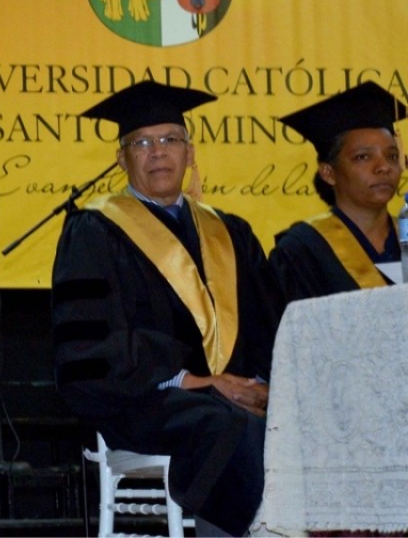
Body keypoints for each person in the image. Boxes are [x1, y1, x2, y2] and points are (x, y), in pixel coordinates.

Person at [50, 80, 284, 536]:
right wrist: (195, 380)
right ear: (122, 159)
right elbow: (92, 353)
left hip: (233, 396)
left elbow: (268, 324)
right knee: (224, 426)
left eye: (170, 140)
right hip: (142, 400)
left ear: (190, 152)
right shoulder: (95, 232)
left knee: (293, 420)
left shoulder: (231, 233)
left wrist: (261, 385)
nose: (158, 152)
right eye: (142, 143)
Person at [270, 82, 407, 302]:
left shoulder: (404, 237)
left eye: (391, 156)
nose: (384, 167)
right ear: (328, 173)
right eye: (363, 157)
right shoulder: (303, 251)